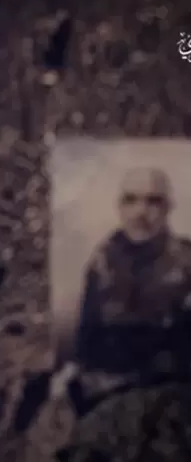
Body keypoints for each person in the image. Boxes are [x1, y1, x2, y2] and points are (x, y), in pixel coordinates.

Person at [71, 167, 191, 405]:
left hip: (172, 394)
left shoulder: (187, 263)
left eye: (153, 202)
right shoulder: (102, 264)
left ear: (168, 208)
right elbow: (86, 342)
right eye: (131, 200)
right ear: (120, 207)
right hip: (109, 393)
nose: (140, 212)